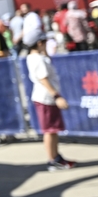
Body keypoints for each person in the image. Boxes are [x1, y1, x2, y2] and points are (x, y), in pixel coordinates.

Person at [24, 31, 76, 171]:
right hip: (46, 98)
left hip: (45, 98)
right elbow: (43, 79)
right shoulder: (38, 60)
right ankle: (52, 159)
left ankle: (55, 156)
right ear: (40, 43)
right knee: (50, 130)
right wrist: (56, 96)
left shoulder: (34, 57)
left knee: (53, 130)